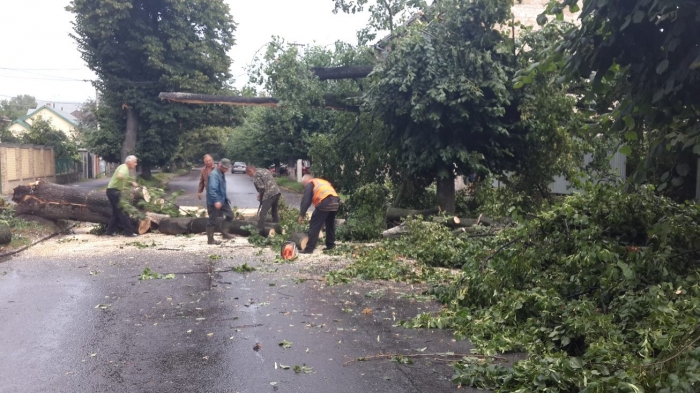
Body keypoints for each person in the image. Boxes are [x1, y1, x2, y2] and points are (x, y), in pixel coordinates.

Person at [297, 174, 340, 254]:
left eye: (303, 185)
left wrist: (301, 214)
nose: (304, 187)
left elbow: (306, 200)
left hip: (325, 201)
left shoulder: (310, 183)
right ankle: (330, 245)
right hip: (335, 201)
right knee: (330, 223)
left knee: (314, 224)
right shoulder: (321, 181)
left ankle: (309, 249)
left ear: (305, 181)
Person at [105, 155, 139, 237]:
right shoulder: (124, 168)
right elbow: (119, 176)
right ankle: (129, 232)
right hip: (113, 192)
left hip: (112, 191)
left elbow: (123, 183)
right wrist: (131, 182)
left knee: (116, 213)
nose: (136, 164)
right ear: (129, 162)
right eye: (134, 162)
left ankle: (109, 232)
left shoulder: (125, 168)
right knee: (123, 211)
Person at [246, 165, 281, 235]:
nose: (249, 176)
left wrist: (260, 195)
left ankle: (259, 231)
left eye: (249, 174)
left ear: (251, 171)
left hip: (269, 194)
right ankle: (277, 228)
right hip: (277, 192)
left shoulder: (256, 175)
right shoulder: (264, 170)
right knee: (274, 212)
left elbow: (262, 188)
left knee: (263, 213)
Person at [206, 158, 234, 245]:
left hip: (222, 199)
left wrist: (225, 197)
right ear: (220, 166)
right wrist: (216, 201)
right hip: (215, 201)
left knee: (230, 215)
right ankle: (210, 240)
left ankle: (225, 233)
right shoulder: (214, 175)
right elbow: (212, 189)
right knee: (212, 220)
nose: (227, 169)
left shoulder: (221, 173)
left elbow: (221, 188)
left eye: (228, 168)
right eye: (225, 168)